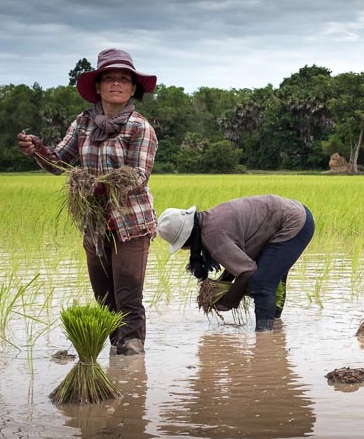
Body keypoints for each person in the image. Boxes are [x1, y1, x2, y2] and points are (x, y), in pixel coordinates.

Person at [17, 49, 158, 355]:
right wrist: (37, 149)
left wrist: (101, 189)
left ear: (133, 88)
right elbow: (59, 163)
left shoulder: (139, 127)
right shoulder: (83, 123)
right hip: (95, 225)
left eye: (124, 79)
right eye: (109, 78)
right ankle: (114, 355)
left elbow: (137, 176)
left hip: (131, 224)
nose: (116, 84)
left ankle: (132, 358)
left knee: (127, 298)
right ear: (98, 86)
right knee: (105, 299)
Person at [157, 196, 315, 331]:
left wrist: (228, 301)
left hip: (293, 222)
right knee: (273, 281)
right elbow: (238, 262)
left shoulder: (213, 236)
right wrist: (221, 282)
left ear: (186, 240)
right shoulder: (209, 221)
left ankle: (264, 342)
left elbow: (247, 271)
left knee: (262, 283)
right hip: (291, 213)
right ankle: (275, 328)